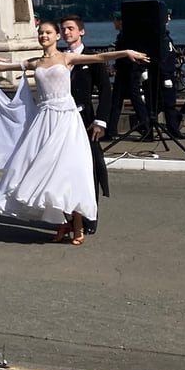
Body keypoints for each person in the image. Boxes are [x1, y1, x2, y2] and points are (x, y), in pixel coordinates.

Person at [0, 21, 147, 245]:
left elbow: (99, 58)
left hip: (67, 120)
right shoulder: (35, 62)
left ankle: (77, 226)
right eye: (40, 33)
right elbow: (4, 68)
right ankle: (62, 223)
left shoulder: (66, 58)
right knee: (45, 171)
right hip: (44, 120)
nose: (43, 36)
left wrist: (126, 52)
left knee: (69, 172)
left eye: (48, 32)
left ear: (56, 36)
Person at [59, 15, 111, 235]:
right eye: (63, 29)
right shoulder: (59, 58)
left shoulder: (91, 58)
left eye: (71, 28)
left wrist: (100, 120)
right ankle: (68, 216)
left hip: (85, 119)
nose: (66, 32)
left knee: (89, 169)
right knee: (63, 169)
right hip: (61, 121)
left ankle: (89, 217)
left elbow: (106, 91)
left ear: (81, 32)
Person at [107, 10, 151, 140]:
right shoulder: (129, 35)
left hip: (129, 71)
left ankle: (146, 128)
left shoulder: (125, 36)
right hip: (128, 70)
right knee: (121, 100)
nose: (114, 23)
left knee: (129, 100)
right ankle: (112, 130)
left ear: (120, 21)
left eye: (115, 20)